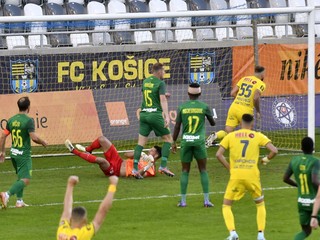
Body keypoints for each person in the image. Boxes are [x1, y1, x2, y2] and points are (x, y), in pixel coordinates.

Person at [216, 114, 277, 240]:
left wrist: (230, 168)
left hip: (236, 175)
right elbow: (274, 150)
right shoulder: (257, 135)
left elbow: (218, 155)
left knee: (226, 205)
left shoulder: (231, 136)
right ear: (252, 124)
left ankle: (232, 233)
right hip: (252, 176)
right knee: (260, 204)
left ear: (239, 123)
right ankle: (260, 235)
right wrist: (266, 159)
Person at [172, 83, 216, 207]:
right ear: (200, 94)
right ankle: (206, 200)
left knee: (185, 170)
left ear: (188, 94)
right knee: (203, 170)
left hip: (186, 141)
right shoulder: (204, 107)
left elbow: (177, 126)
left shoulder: (182, 107)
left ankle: (183, 201)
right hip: (199, 142)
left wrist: (173, 142)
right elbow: (213, 123)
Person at [0, 96, 48, 208]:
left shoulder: (11, 120)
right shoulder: (28, 121)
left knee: (20, 177)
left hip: (13, 154)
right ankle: (6, 194)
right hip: (23, 155)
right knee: (26, 180)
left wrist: (2, 151)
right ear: (29, 107)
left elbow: (3, 136)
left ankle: (19, 201)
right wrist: (43, 142)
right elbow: (34, 137)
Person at [206, 66, 266, 147]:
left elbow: (232, 93)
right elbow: (256, 98)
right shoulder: (261, 84)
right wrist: (258, 111)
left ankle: (215, 135)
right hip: (245, 110)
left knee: (228, 132)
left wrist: (240, 99)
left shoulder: (244, 79)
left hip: (234, 107)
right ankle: (243, 149)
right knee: (246, 132)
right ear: (262, 75)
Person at [132, 62, 174, 179]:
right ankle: (163, 166)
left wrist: (163, 94)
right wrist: (166, 116)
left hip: (144, 114)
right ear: (159, 71)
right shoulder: (161, 83)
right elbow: (162, 101)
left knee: (140, 143)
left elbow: (149, 94)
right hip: (155, 115)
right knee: (168, 139)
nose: (165, 73)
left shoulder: (146, 81)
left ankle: (135, 169)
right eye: (164, 71)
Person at [65, 136, 162, 178]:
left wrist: (148, 165)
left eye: (152, 150)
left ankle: (74, 151)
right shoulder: (144, 156)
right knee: (102, 139)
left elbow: (138, 175)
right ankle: (88, 150)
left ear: (156, 155)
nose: (149, 150)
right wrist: (139, 153)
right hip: (118, 161)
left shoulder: (151, 170)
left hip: (116, 172)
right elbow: (126, 155)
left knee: (101, 160)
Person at [57, 175, 118, 240]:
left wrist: (70, 185)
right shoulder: (85, 232)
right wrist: (113, 185)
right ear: (85, 221)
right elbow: (103, 210)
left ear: (71, 219)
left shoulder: (62, 230)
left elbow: (67, 209)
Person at [283, 137, 320, 240]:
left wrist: (298, 185)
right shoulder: (315, 161)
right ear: (313, 148)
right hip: (315, 202)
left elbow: (285, 178)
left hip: (302, 202)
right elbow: (314, 180)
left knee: (305, 231)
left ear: (301, 148)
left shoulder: (294, 160)